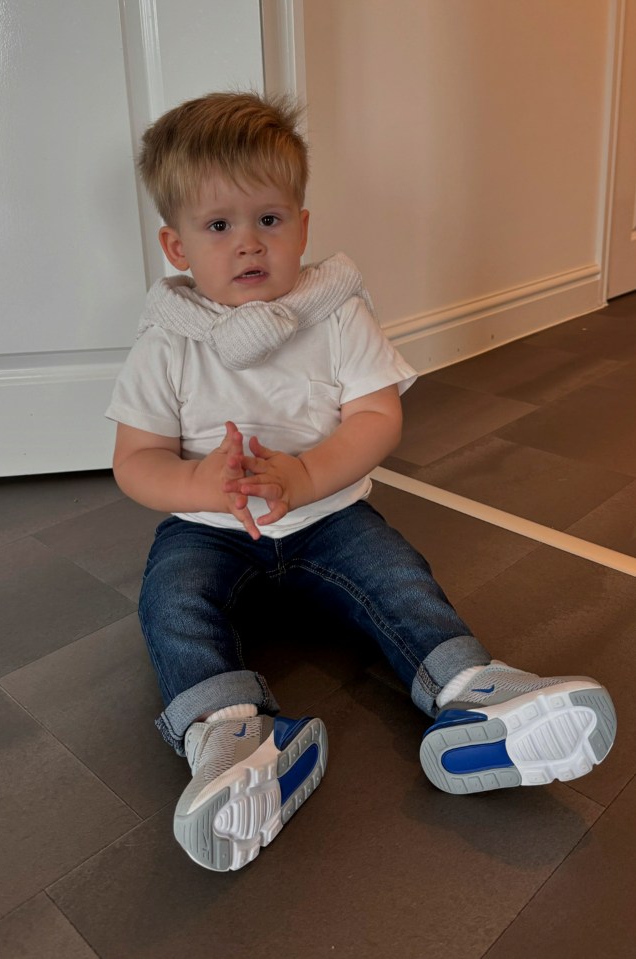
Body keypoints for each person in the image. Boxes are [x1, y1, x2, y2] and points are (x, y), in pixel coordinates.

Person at [106, 90, 617, 872]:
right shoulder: (167, 342)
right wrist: (202, 484)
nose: (249, 245)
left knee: (399, 578)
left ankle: (473, 693)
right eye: (220, 227)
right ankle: (232, 735)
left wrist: (307, 473)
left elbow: (377, 417)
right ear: (177, 248)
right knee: (171, 601)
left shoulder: (335, 313)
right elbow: (134, 460)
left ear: (303, 226)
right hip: (212, 528)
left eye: (269, 221)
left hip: (328, 514)